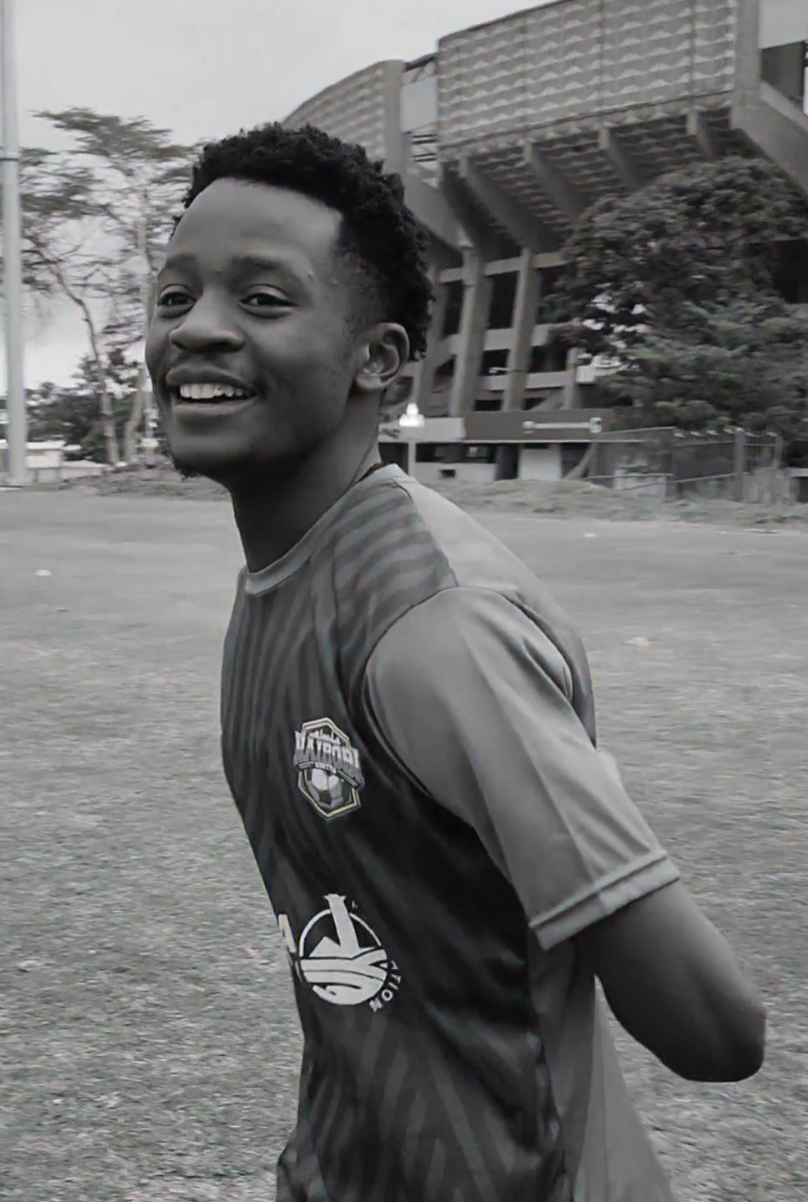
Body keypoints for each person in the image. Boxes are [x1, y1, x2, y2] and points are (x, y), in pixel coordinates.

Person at [145, 123, 766, 1202]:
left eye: (262, 299)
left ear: (376, 360)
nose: (196, 330)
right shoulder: (289, 570)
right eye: (174, 297)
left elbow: (717, 1030)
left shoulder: (439, 626)